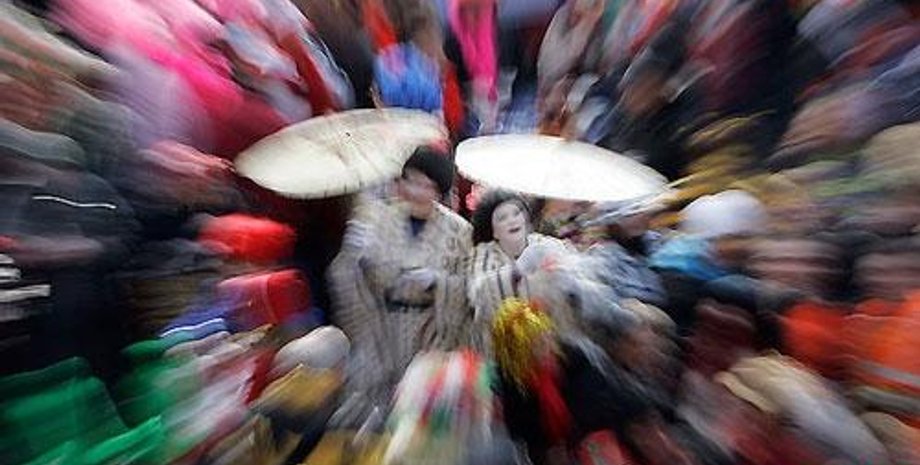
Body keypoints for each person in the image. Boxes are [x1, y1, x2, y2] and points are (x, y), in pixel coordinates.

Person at [328, 145, 472, 402]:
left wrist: (438, 281)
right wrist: (354, 254)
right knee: (374, 401)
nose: (414, 191)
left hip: (431, 332)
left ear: (439, 191)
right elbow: (343, 275)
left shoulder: (459, 230)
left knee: (419, 401)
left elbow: (468, 285)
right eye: (410, 181)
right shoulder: (378, 218)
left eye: (425, 186)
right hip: (380, 329)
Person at [467, 189, 572, 351]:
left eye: (516, 213)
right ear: (493, 231)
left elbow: (573, 274)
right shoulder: (484, 255)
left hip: (549, 340)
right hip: (504, 346)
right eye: (502, 218)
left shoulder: (546, 245)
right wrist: (518, 271)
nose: (512, 220)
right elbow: (479, 290)